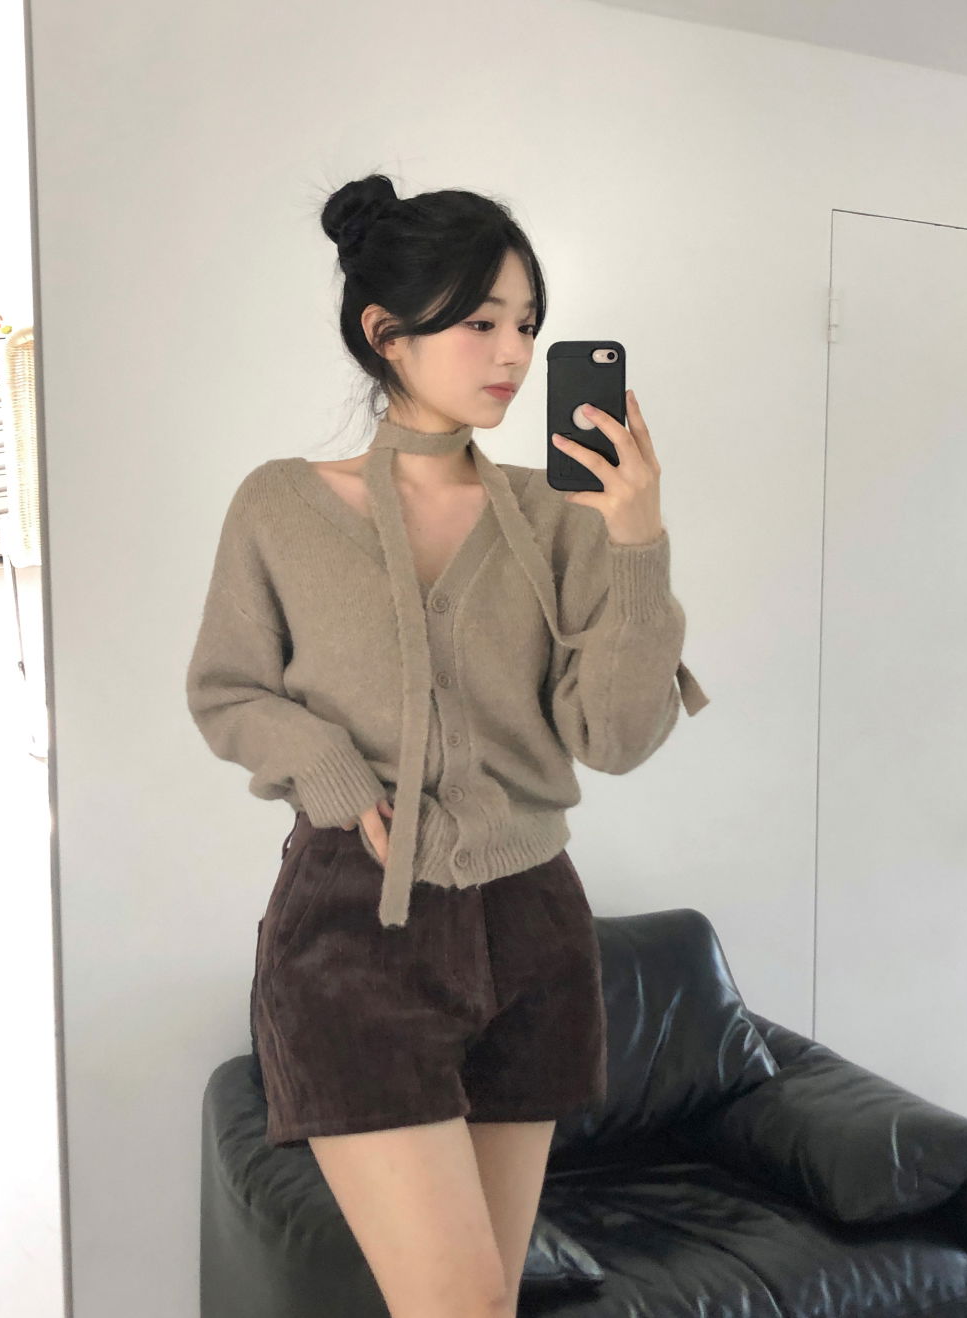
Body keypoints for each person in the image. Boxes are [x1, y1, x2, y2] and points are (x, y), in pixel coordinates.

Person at [185, 172, 709, 1318]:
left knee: (487, 1303)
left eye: (527, 322)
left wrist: (637, 542)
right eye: (480, 320)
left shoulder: (560, 513)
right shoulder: (278, 504)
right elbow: (227, 687)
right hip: (354, 928)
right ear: (387, 331)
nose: (513, 351)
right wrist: (331, 773)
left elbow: (615, 736)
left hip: (533, 926)